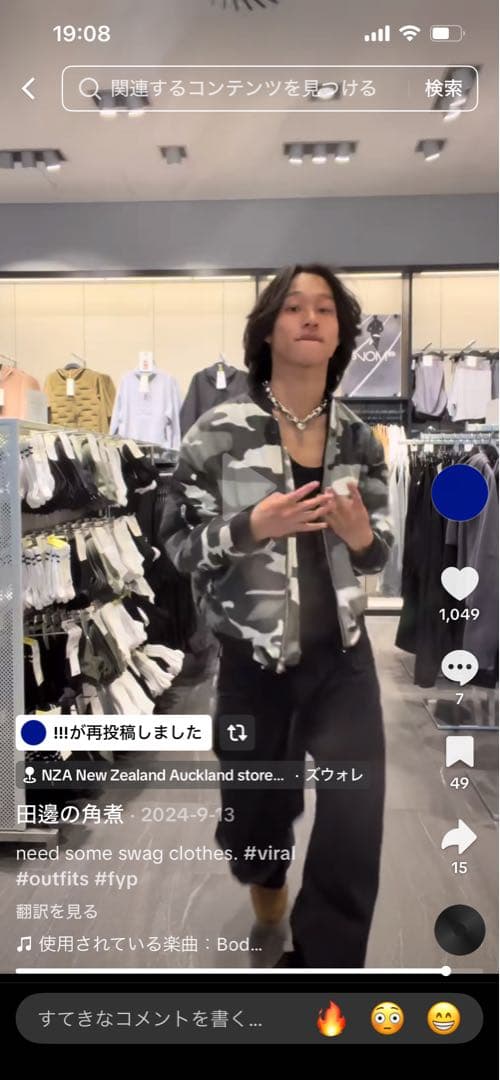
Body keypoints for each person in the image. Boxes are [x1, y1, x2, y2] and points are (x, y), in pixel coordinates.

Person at [160, 264, 394, 967]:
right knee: (256, 813)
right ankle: (264, 871)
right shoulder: (216, 434)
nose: (310, 318)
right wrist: (251, 526)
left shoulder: (360, 439)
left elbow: (379, 549)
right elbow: (177, 547)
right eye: (293, 307)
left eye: (325, 308)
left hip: (344, 659)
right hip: (252, 660)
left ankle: (324, 964)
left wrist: (361, 537)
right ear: (267, 329)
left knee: (355, 816)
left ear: (341, 334)